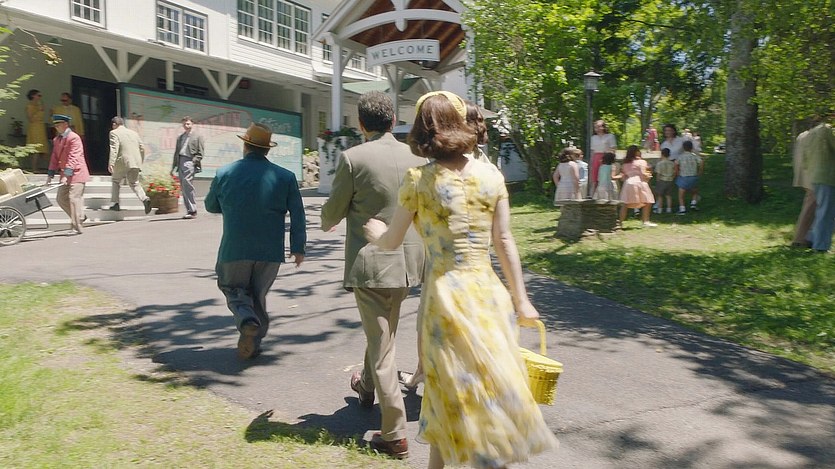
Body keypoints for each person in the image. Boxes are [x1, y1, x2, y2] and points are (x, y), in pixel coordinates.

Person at [363, 91, 559, 469]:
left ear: (423, 130)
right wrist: (521, 300)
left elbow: (392, 240)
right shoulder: (491, 175)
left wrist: (375, 234)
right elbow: (504, 240)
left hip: (446, 300)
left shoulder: (418, 181)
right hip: (489, 296)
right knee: (491, 386)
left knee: (446, 391)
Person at [320, 91, 426, 459]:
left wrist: (326, 221)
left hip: (371, 263)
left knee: (382, 346)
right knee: (383, 331)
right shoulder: (417, 157)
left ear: (361, 124)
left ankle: (394, 434)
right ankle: (365, 387)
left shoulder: (354, 158)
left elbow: (332, 211)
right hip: (409, 263)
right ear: (393, 119)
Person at [205, 123, 306, 359]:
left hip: (235, 248)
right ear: (267, 149)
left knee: (233, 288)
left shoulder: (224, 173)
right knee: (258, 296)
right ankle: (254, 341)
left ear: (245, 146)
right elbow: (298, 214)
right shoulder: (286, 177)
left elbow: (211, 205)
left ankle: (246, 319)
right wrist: (298, 247)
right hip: (270, 251)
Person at [46, 114, 89, 234]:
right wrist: (50, 174)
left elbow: (73, 157)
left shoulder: (74, 138)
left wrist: (66, 175)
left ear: (66, 124)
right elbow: (54, 157)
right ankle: (79, 217)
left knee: (73, 198)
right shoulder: (57, 139)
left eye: (58, 125)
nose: (56, 127)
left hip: (77, 173)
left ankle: (76, 226)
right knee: (60, 198)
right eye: (55, 125)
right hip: (65, 174)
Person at [801, 115, 835, 253]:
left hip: (816, 175)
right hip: (828, 175)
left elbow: (805, 158)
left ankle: (812, 237)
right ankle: (820, 246)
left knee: (824, 210)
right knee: (826, 211)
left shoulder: (810, 134)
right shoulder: (827, 130)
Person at [107, 116, 151, 214]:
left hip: (122, 161)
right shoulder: (134, 133)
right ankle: (144, 198)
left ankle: (115, 203)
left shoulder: (114, 133)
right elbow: (142, 148)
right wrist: (140, 161)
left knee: (116, 181)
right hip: (135, 162)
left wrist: (111, 163)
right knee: (134, 183)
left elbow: (114, 148)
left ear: (114, 124)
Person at [171, 116, 204, 219]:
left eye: (188, 123)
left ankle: (193, 209)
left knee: (187, 184)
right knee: (183, 186)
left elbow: (200, 152)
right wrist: (173, 167)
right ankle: (189, 210)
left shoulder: (197, 136)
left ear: (192, 124)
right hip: (180, 161)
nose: (186, 125)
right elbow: (176, 152)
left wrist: (194, 162)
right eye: (184, 124)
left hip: (189, 160)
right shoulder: (180, 137)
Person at [619, 145, 656, 227]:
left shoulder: (625, 164)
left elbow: (623, 177)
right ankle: (645, 221)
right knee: (647, 201)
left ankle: (620, 222)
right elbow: (643, 173)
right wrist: (649, 175)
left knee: (625, 204)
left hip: (628, 183)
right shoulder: (641, 162)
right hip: (639, 182)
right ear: (637, 152)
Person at [791, 125, 816, 247]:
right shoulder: (815, 136)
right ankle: (800, 239)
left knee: (814, 207)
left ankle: (807, 238)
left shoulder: (803, 135)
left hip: (807, 176)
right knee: (811, 207)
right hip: (814, 177)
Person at [675, 140, 704, 215]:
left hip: (683, 177)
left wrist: (677, 172)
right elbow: (701, 162)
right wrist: (700, 171)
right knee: (695, 192)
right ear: (691, 147)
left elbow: (676, 164)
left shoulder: (680, 156)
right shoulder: (694, 156)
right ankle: (693, 203)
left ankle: (682, 209)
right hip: (693, 176)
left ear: (683, 148)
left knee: (681, 195)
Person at [590, 119, 617, 196]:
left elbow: (613, 148)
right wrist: (591, 161)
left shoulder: (610, 136)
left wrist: (611, 159)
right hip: (596, 157)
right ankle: (593, 195)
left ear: (604, 127)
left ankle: (607, 194)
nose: (597, 129)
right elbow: (592, 150)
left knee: (605, 177)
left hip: (606, 157)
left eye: (599, 127)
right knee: (595, 178)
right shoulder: (593, 137)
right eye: (596, 127)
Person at [25, 89, 48, 172]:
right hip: (34, 128)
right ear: (33, 96)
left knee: (43, 148)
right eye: (38, 95)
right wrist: (39, 111)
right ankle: (34, 168)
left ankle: (51, 167)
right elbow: (30, 118)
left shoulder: (38, 105)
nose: (40, 97)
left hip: (40, 127)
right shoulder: (29, 106)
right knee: (36, 149)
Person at [653, 148, 676, 213]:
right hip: (670, 180)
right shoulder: (672, 163)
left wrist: (657, 181)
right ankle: (669, 209)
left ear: (662, 154)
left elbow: (658, 174)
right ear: (669, 155)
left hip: (662, 180)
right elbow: (674, 172)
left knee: (660, 196)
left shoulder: (659, 164)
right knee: (668, 196)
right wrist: (672, 178)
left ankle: (660, 209)